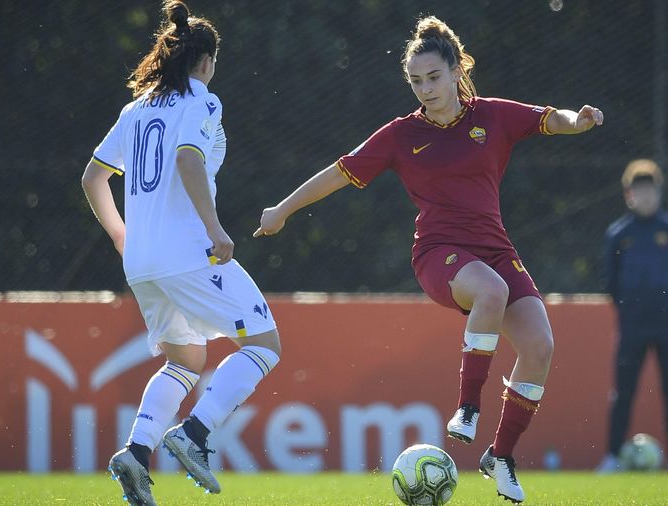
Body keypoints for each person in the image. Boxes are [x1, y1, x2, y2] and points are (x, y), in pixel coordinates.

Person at [255, 15, 602, 504]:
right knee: (492, 291)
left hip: (495, 249)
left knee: (540, 346)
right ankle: (467, 408)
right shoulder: (401, 134)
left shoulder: (493, 116)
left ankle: (500, 456)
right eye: (416, 81)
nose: (425, 89)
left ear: (457, 70)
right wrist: (283, 209)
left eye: (434, 77)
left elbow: (550, 119)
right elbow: (339, 172)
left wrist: (578, 120)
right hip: (439, 253)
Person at [81, 1, 281, 503]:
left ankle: (137, 451)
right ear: (207, 61)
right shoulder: (202, 101)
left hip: (142, 263)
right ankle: (194, 434)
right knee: (264, 344)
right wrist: (216, 229)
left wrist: (120, 235)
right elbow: (189, 160)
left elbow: (93, 178)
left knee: (187, 360)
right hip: (188, 253)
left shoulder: (135, 109)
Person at [597, 160, 668, 474]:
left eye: (650, 190)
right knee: (623, 393)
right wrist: (631, 308)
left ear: (659, 192)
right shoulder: (618, 233)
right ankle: (612, 457)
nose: (645, 196)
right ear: (628, 194)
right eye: (639, 190)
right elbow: (610, 281)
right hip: (632, 327)